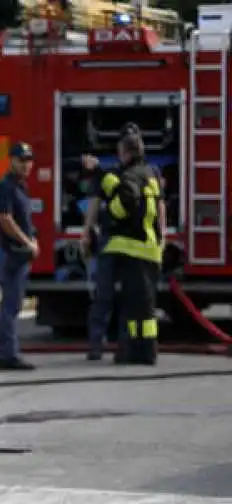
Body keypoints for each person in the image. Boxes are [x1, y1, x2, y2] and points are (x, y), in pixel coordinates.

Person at [81, 122, 166, 361]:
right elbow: (96, 203)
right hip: (115, 241)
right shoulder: (116, 173)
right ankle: (98, 346)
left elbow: (158, 206)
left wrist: (163, 234)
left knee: (129, 299)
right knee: (106, 295)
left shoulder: (144, 173)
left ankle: (126, 348)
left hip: (126, 243)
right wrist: (87, 231)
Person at [0, 142, 37, 371]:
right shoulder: (5, 187)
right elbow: (6, 220)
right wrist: (27, 242)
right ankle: (8, 355)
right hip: (11, 253)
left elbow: (24, 220)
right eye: (21, 160)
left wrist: (33, 239)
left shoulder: (22, 187)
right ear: (11, 160)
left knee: (14, 304)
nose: (26, 165)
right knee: (10, 306)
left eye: (29, 160)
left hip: (19, 254)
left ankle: (9, 352)